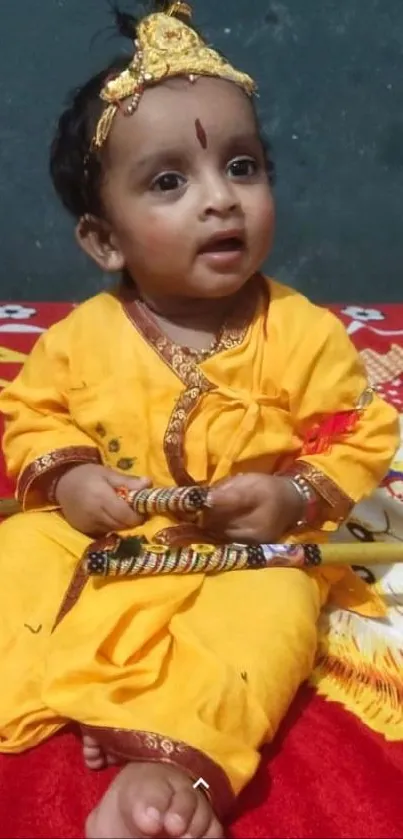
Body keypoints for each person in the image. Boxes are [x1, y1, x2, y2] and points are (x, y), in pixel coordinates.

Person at [0, 3, 399, 838]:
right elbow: (30, 414)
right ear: (103, 239)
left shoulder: (302, 332)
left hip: (239, 551)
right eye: (170, 181)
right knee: (20, 550)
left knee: (275, 608)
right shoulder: (80, 339)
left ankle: (173, 758)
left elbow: (357, 427)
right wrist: (71, 478)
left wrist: (292, 497)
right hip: (109, 538)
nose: (220, 201)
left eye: (242, 167)